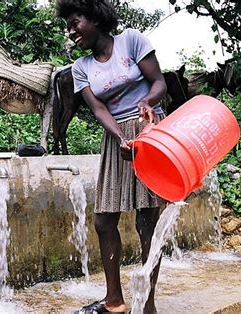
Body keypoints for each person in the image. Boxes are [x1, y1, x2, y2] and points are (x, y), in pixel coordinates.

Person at [55, 1, 167, 313]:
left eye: (75, 22)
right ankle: (114, 299)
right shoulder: (81, 68)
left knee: (147, 218)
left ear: (95, 18)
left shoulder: (131, 41)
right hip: (116, 137)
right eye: (68, 26)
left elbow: (159, 82)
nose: (71, 31)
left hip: (149, 130)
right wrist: (119, 137)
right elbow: (99, 108)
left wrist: (147, 101)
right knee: (104, 221)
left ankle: (147, 304)